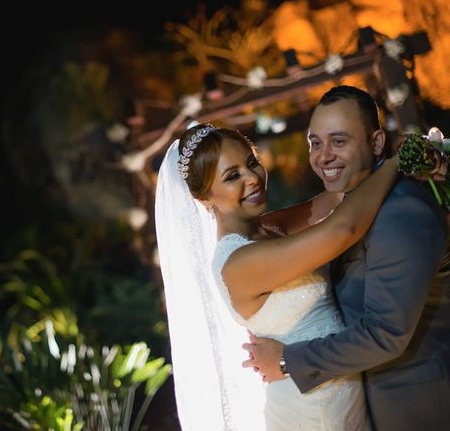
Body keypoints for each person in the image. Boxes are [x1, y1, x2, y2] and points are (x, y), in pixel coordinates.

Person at [155, 116, 399, 430]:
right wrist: (397, 164)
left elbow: (338, 199)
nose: (253, 178)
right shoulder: (238, 262)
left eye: (251, 162)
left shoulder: (269, 228)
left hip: (338, 391)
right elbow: (344, 228)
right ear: (205, 198)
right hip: (312, 407)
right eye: (232, 176)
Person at [243, 85, 450, 430]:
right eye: (315, 142)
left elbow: (386, 333)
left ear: (377, 143)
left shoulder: (402, 209)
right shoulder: (350, 204)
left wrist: (286, 361)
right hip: (367, 400)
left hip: (417, 404)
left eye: (339, 141)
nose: (323, 156)